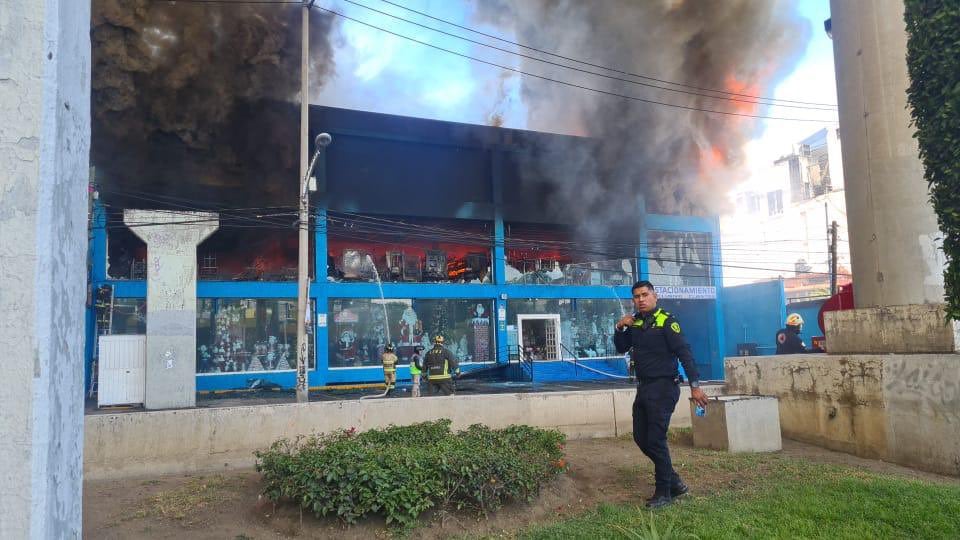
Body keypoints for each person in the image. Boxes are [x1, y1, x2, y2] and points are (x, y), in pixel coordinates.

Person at [614, 280, 709, 509]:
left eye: (645, 295)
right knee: (640, 437)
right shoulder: (636, 323)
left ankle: (664, 492)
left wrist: (695, 386)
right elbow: (621, 347)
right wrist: (620, 327)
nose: (641, 300)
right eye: (637, 296)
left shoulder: (667, 321)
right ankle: (674, 482)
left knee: (656, 440)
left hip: (664, 387)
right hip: (644, 387)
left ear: (655, 296)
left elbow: (684, 353)